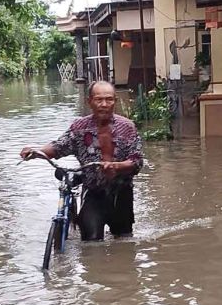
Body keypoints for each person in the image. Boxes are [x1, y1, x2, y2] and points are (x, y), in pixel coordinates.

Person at [20, 81, 143, 241]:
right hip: (93, 193)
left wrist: (118, 167)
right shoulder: (79, 127)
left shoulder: (127, 127)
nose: (104, 104)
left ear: (115, 101)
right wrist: (36, 152)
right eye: (99, 100)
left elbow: (137, 161)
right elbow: (59, 146)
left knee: (125, 242)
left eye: (109, 99)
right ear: (89, 101)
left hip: (121, 194)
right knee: (91, 243)